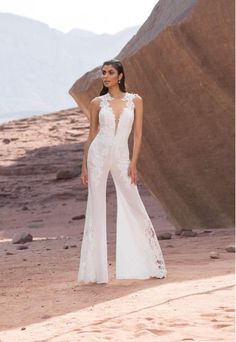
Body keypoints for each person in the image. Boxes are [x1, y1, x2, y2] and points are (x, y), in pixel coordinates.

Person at [79, 59, 167, 284]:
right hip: (97, 155)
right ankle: (97, 273)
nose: (105, 76)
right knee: (96, 207)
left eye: (110, 72)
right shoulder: (97, 103)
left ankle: (149, 263)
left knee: (133, 201)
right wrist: (84, 165)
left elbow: (137, 135)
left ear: (120, 76)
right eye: (103, 73)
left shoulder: (135, 100)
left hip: (121, 157)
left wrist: (134, 163)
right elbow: (91, 136)